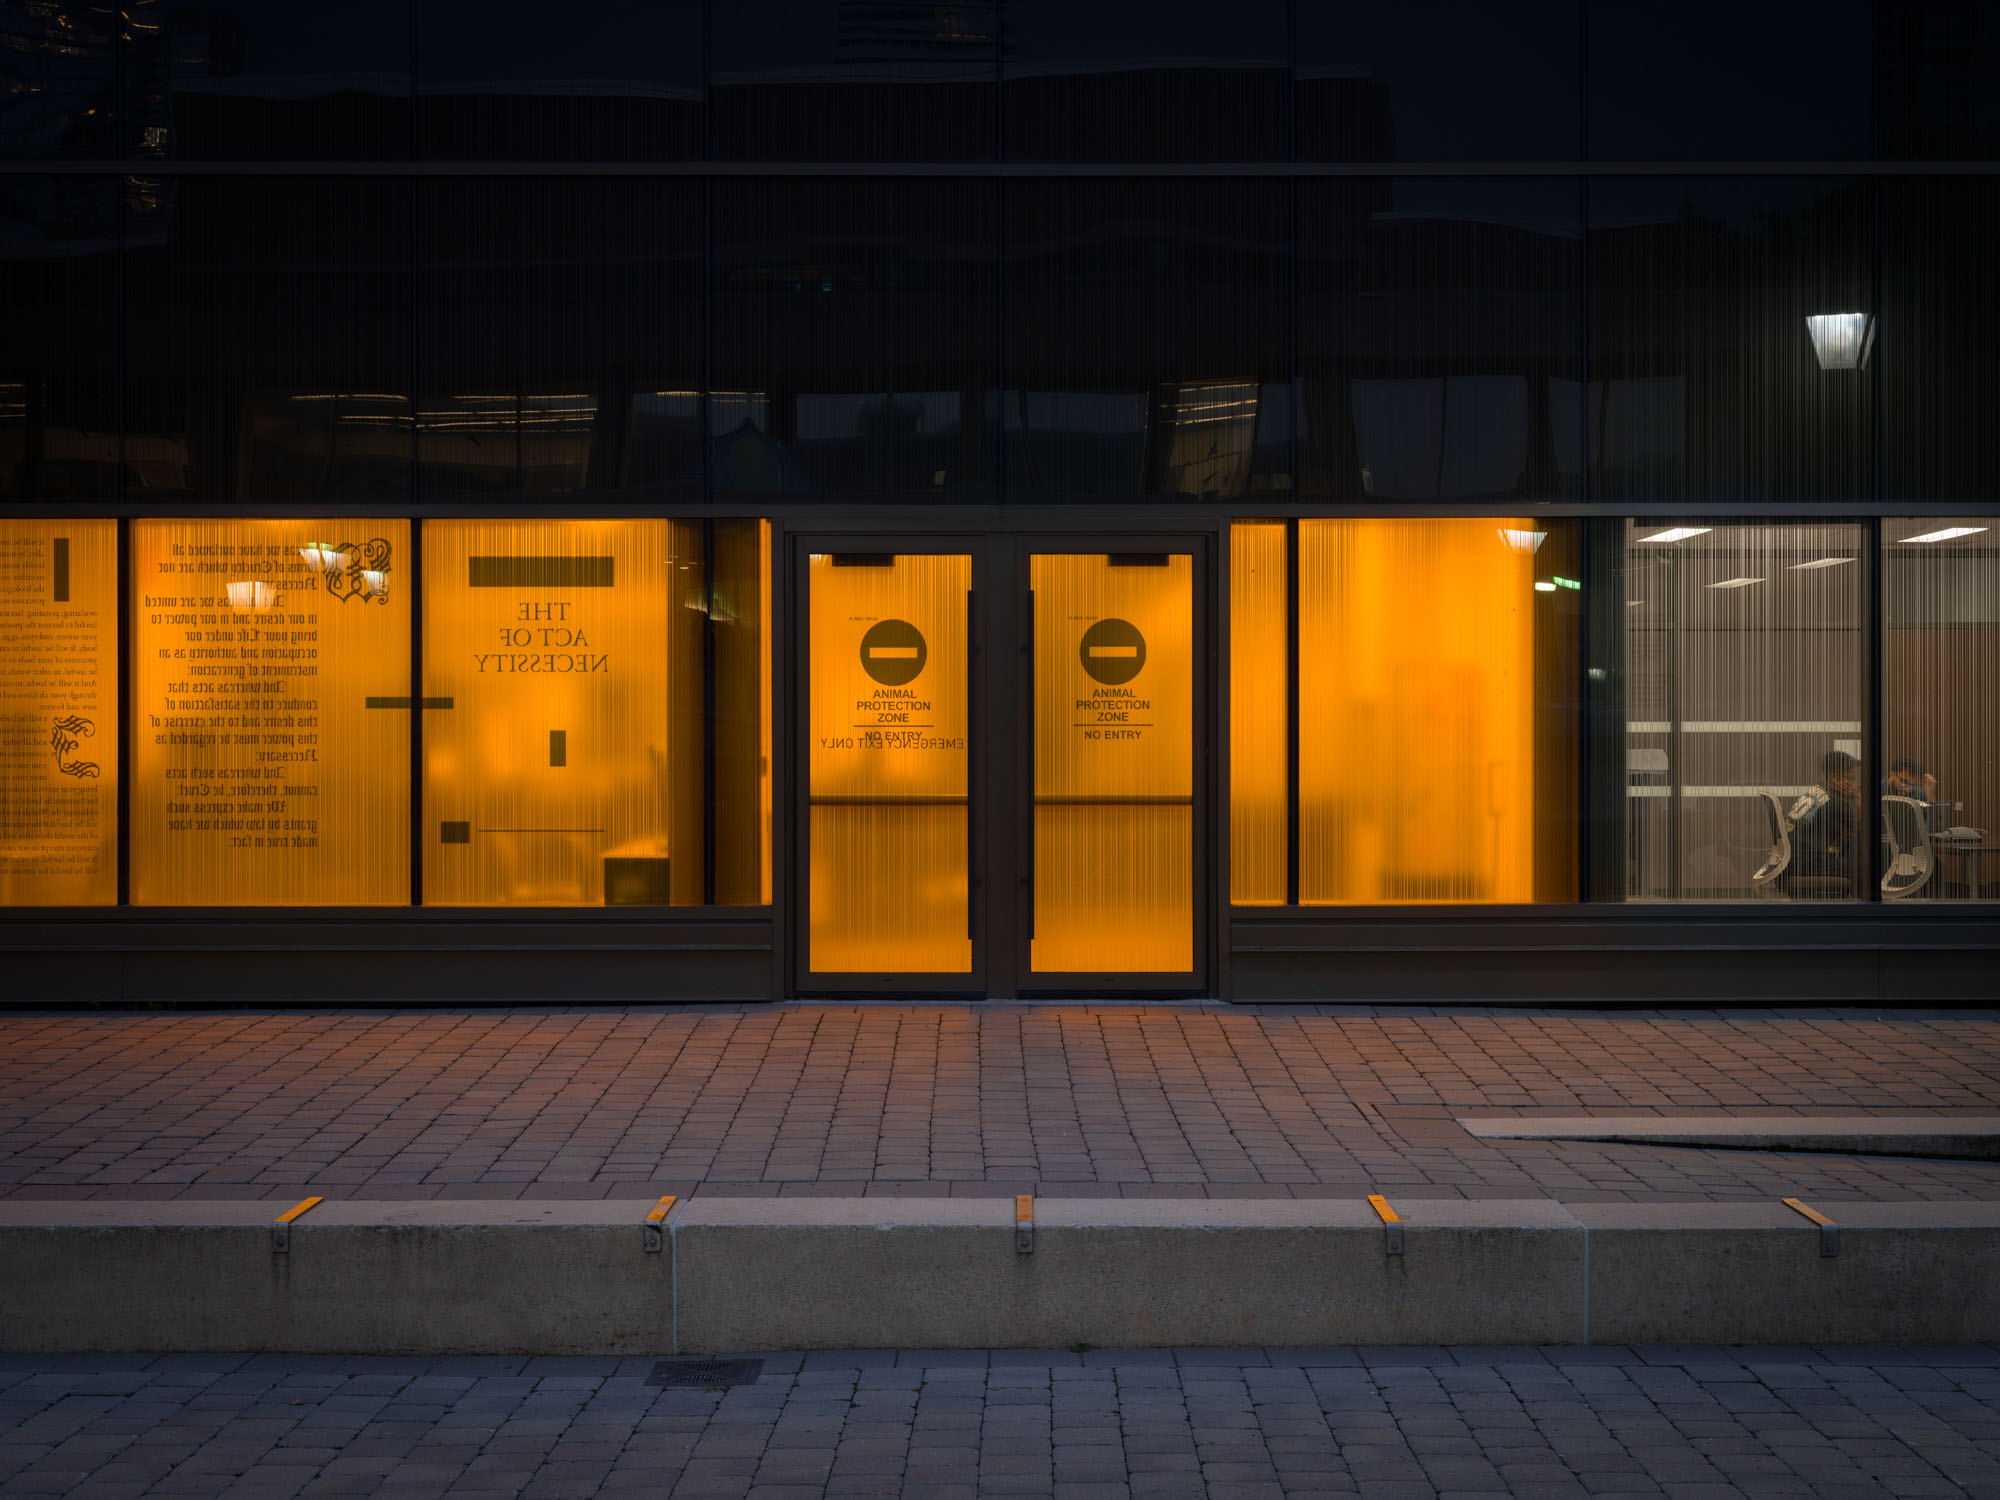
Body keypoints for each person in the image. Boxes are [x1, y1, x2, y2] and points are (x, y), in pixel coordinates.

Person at [1788, 750, 1864, 893]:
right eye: (1852, 779)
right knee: (1867, 870)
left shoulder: (1818, 790)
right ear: (1833, 777)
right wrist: (1858, 800)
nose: (1855, 784)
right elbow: (1862, 835)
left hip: (1794, 858)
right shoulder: (1838, 802)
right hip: (1807, 862)